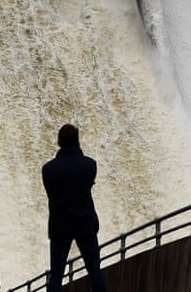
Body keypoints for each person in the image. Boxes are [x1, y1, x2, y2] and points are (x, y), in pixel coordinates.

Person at [41, 123, 108, 292]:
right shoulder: (90, 165)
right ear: (77, 141)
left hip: (60, 226)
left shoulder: (48, 170)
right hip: (85, 224)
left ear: (59, 142)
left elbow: (51, 192)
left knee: (56, 276)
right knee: (95, 272)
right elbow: (86, 186)